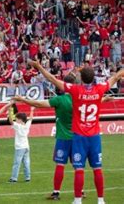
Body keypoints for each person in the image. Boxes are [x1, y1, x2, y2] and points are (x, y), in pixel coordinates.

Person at [29, 60, 124, 204]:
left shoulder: (75, 90)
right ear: (94, 78)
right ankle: (101, 200)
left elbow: (52, 79)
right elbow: (116, 77)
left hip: (79, 136)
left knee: (79, 169)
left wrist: (38, 66)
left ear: (82, 78)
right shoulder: (99, 89)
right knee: (97, 168)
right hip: (94, 135)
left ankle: (78, 200)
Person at [13, 74, 87, 200]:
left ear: (64, 86)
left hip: (63, 137)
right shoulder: (80, 98)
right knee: (78, 166)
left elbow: (38, 103)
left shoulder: (59, 99)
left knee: (60, 165)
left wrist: (23, 99)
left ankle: (56, 192)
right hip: (77, 137)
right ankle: (81, 191)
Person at [7, 106, 34, 183]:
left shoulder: (18, 126)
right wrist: (32, 110)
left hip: (19, 147)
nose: (16, 120)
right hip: (26, 146)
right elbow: (31, 118)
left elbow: (11, 121)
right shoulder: (27, 125)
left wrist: (10, 111)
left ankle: (14, 178)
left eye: (17, 119)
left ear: (20, 119)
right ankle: (27, 177)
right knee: (26, 162)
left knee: (17, 163)